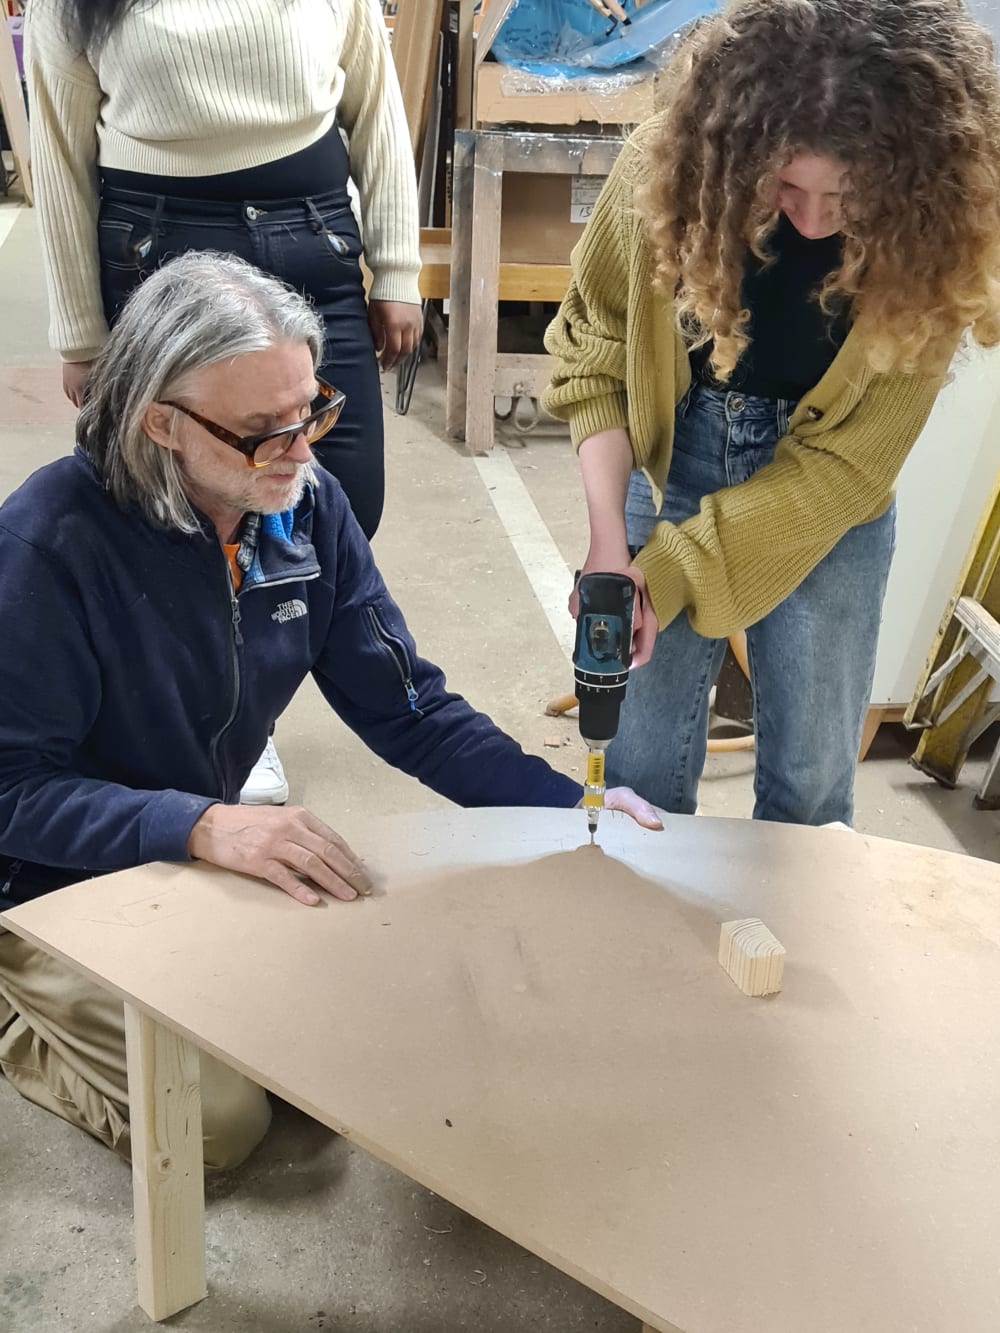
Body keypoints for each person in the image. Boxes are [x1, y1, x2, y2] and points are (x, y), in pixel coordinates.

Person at [0, 253, 661, 1168]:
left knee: (349, 1051)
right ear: (161, 423)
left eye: (311, 410)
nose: (304, 452)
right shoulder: (48, 542)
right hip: (47, 884)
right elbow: (12, 794)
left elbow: (410, 710)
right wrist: (196, 824)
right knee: (217, 1122)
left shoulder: (303, 509)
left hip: (193, 844)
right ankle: (14, 1007)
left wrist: (573, 807)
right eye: (263, 431)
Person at [543, 0, 1000, 828]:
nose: (815, 219)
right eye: (787, 183)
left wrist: (674, 567)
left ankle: (784, 951)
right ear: (737, 143)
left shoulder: (937, 230)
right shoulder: (668, 172)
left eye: (846, 192)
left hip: (827, 501)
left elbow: (848, 468)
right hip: (672, 460)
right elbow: (595, 354)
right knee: (636, 772)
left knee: (813, 788)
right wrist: (611, 544)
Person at [25, 0, 425, 802]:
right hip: (157, 247)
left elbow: (374, 102)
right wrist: (81, 330)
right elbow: (60, 148)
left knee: (332, 496)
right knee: (175, 513)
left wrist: (400, 266)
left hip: (315, 238)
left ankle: (248, 702)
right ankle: (219, 723)